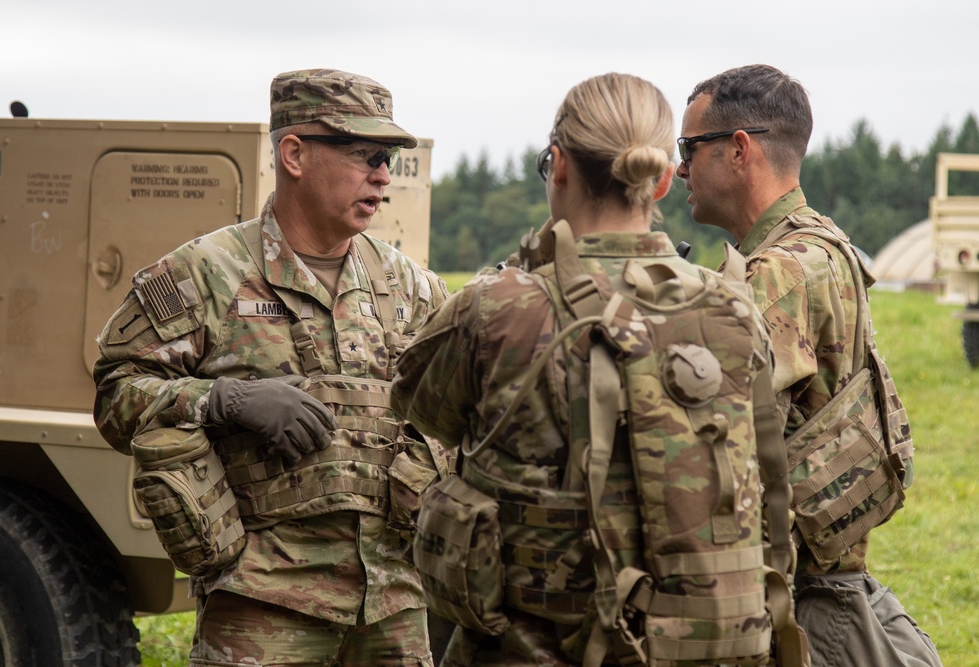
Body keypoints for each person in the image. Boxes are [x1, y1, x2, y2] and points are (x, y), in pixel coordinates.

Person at [391, 73, 803, 667]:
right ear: (663, 180)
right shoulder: (734, 307)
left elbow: (423, 412)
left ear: (558, 165)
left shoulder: (497, 307)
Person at [93, 68, 447, 666]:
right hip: (261, 605)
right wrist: (223, 401)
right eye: (364, 154)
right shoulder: (203, 275)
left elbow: (462, 412)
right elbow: (115, 396)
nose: (383, 174)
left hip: (393, 604)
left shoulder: (411, 286)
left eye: (387, 157)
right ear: (294, 154)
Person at [675, 63, 942, 667]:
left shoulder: (779, 274)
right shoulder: (823, 246)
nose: (680, 168)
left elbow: (700, 432)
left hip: (796, 604)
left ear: (739, 149)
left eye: (689, 148)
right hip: (817, 588)